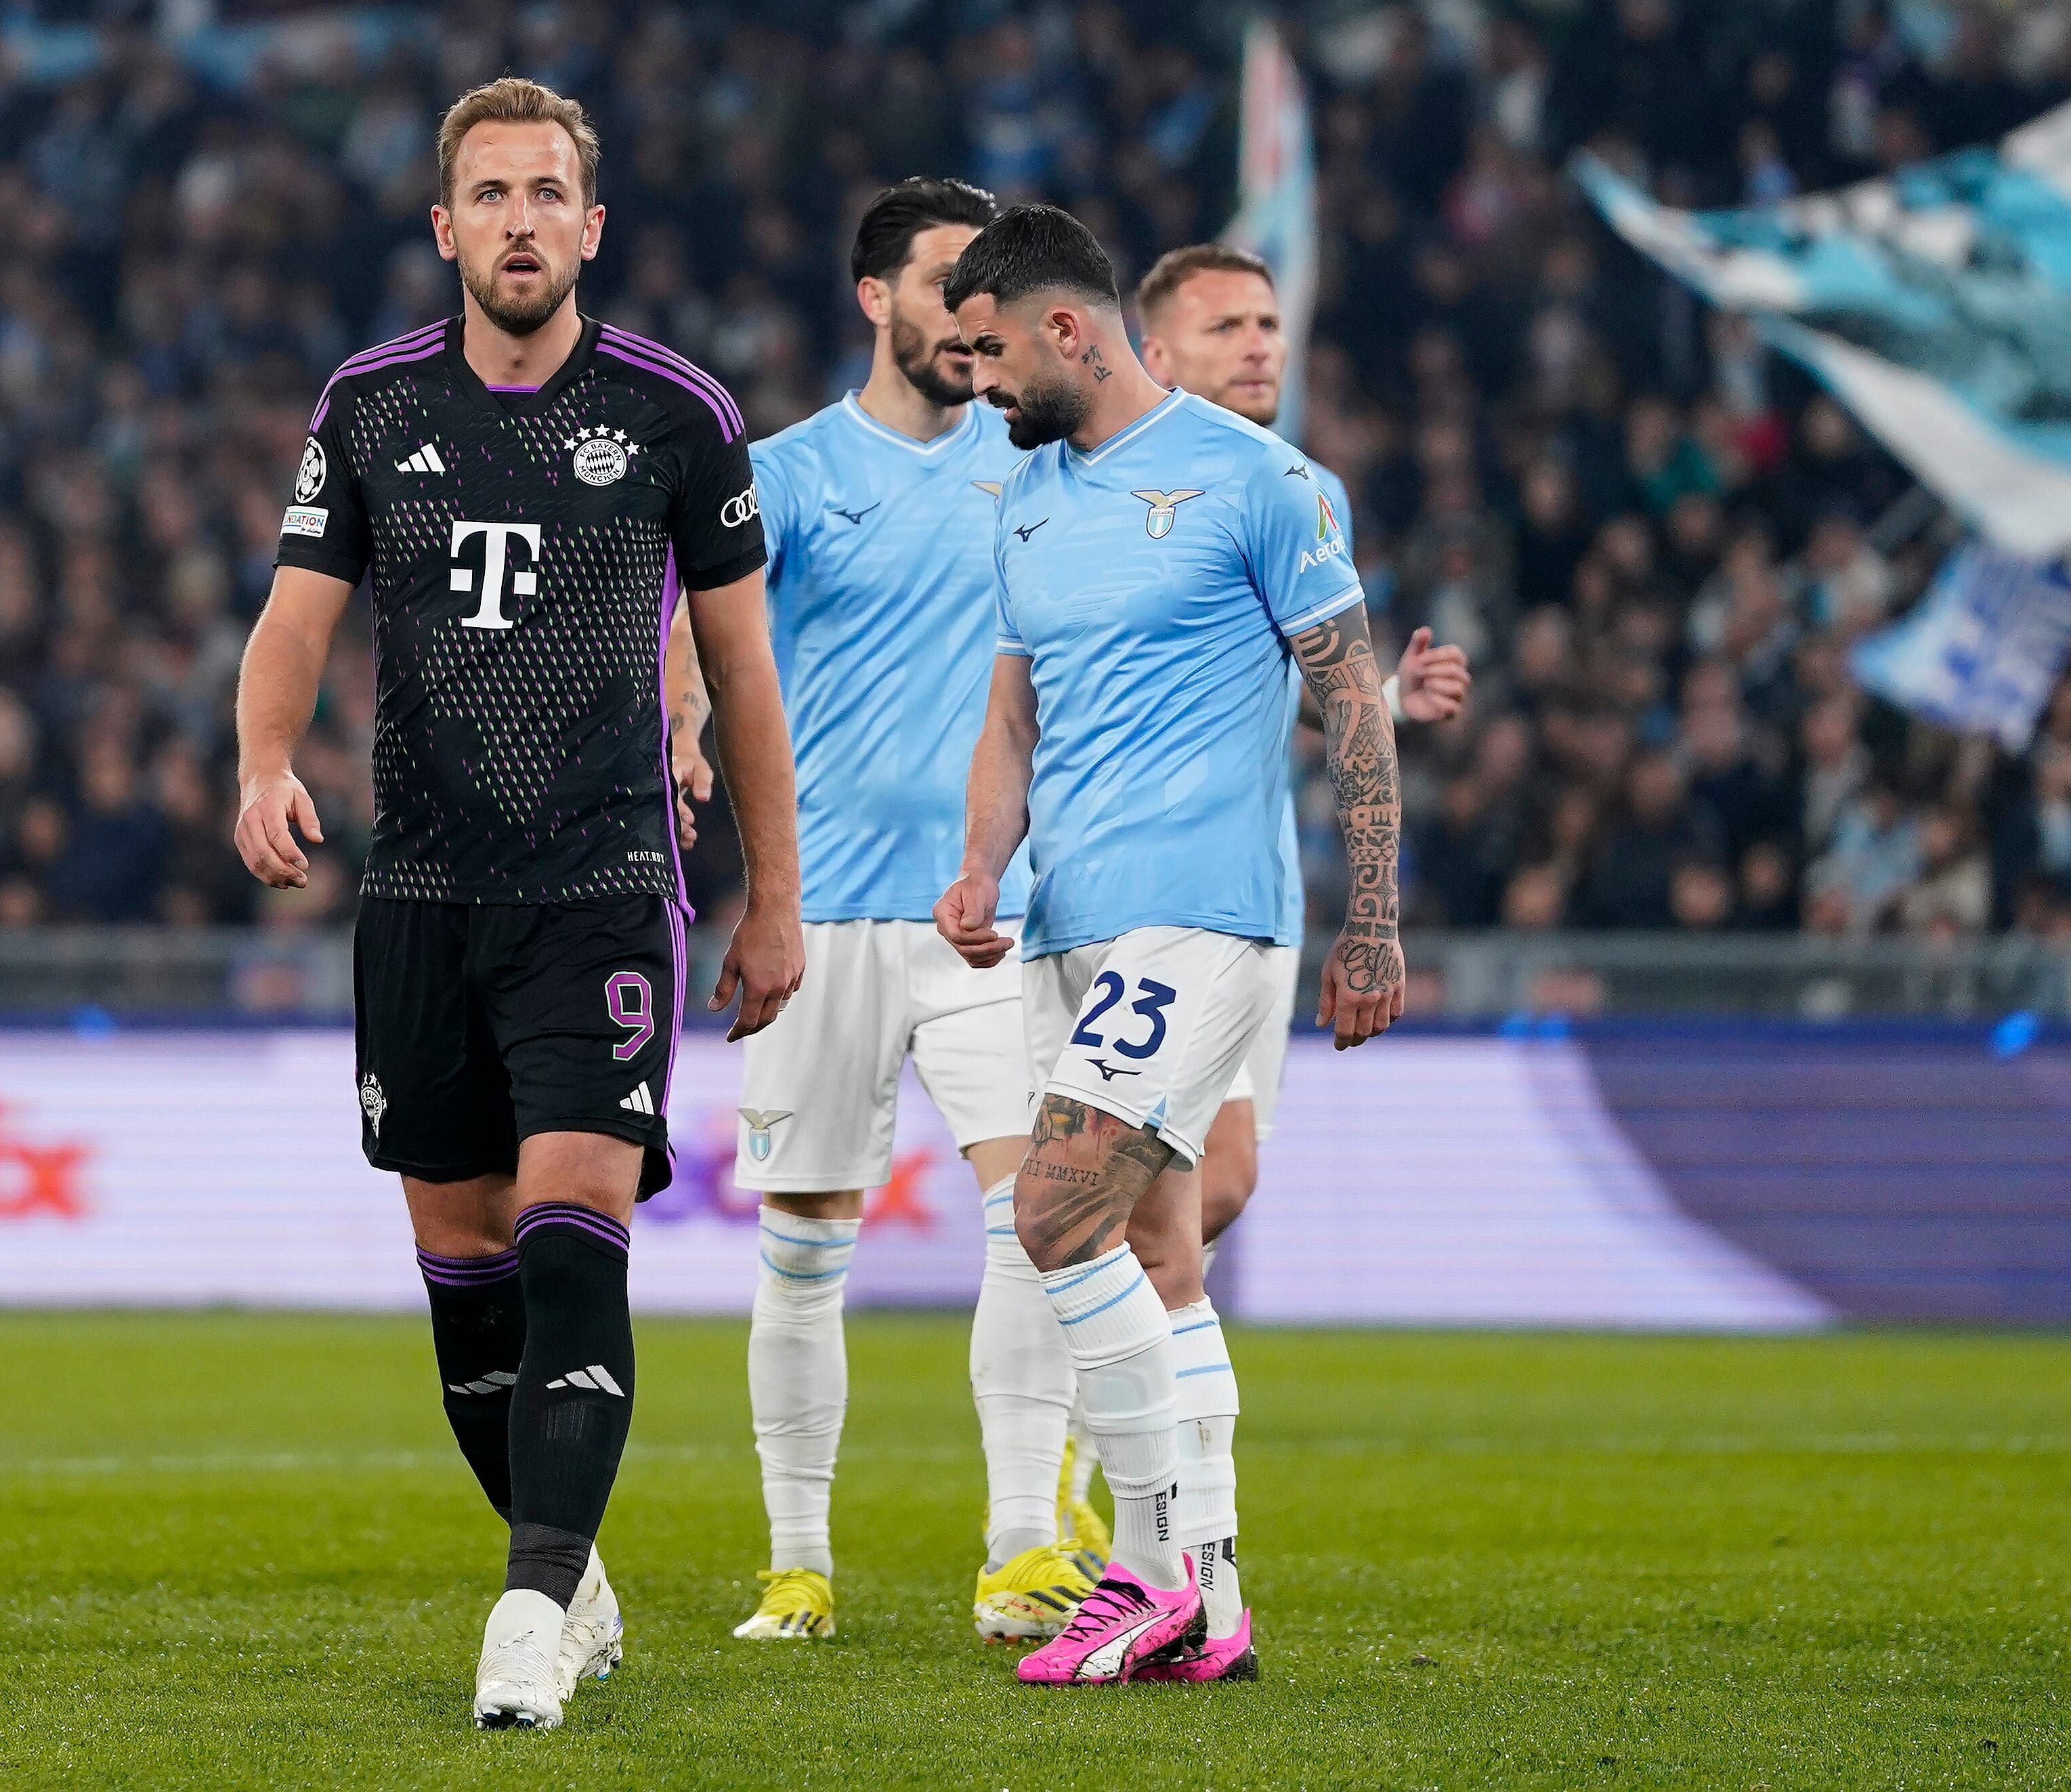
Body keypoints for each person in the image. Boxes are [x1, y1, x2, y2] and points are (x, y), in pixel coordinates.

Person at [232, 75, 805, 1732]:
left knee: (569, 1231)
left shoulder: (678, 415)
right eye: (490, 195)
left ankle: (531, 1605)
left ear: (591, 225)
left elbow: (742, 672)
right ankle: (574, 1572)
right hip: (420, 888)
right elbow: (294, 615)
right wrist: (263, 763)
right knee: (462, 1263)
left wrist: (772, 896)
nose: (520, 221)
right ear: (445, 227)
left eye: (548, 193)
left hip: (600, 886)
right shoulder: (366, 406)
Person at [933, 205, 1406, 1688]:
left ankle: (1152, 1571)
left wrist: (1372, 917)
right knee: (1150, 1243)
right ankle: (1209, 1594)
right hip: (1067, 916)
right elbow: (1013, 713)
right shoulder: (1023, 499)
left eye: (990, 353)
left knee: (1054, 1209)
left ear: (1066, 329)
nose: (978, 385)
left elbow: (1354, 700)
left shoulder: (1260, 482)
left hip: (1201, 909)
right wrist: (979, 864)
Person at [668, 177, 1101, 1647]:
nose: (969, 315)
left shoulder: (1037, 466)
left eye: (983, 290)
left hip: (990, 910)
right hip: (823, 916)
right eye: (939, 284)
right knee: (803, 1246)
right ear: (873, 299)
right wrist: (680, 721)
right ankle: (797, 1565)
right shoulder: (785, 473)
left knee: (1036, 1214)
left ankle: (1021, 1548)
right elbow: (702, 631)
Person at [1129, 243, 1468, 1284]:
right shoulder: (1105, 488)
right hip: (1127, 882)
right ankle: (1063, 1358)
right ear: (1156, 356)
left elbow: (1296, 691)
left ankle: (1081, 1361)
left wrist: (1383, 703)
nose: (1257, 346)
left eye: (1268, 325)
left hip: (1256, 884)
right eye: (1224, 327)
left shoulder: (1308, 490)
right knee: (1167, 1187)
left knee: (1208, 1195)